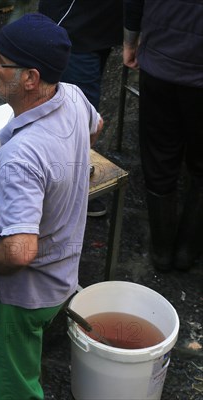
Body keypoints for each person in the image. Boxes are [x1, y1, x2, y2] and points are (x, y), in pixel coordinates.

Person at [0, 14, 102, 399]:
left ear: (30, 78)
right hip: (61, 277)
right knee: (23, 360)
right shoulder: (73, 95)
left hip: (14, 298)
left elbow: (20, 249)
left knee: (14, 387)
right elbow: (97, 125)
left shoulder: (21, 157)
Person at [123, 0, 203, 271]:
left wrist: (129, 43)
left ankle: (162, 252)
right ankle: (186, 253)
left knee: (159, 157)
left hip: (160, 64)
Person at [39, 0, 123, 217]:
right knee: (76, 113)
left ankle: (68, 179)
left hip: (105, 24)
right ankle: (68, 185)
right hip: (75, 25)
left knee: (79, 110)